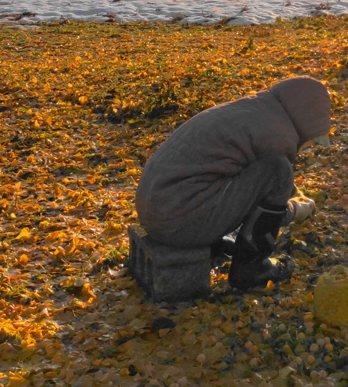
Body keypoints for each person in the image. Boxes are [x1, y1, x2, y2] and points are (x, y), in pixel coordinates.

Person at [135, 75, 331, 291]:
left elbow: (240, 171)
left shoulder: (255, 110)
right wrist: (297, 209)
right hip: (178, 224)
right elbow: (272, 187)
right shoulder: (279, 136)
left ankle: (215, 241)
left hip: (155, 209)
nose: (308, 148)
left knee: (270, 172)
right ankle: (252, 269)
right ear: (307, 119)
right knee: (280, 170)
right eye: (312, 142)